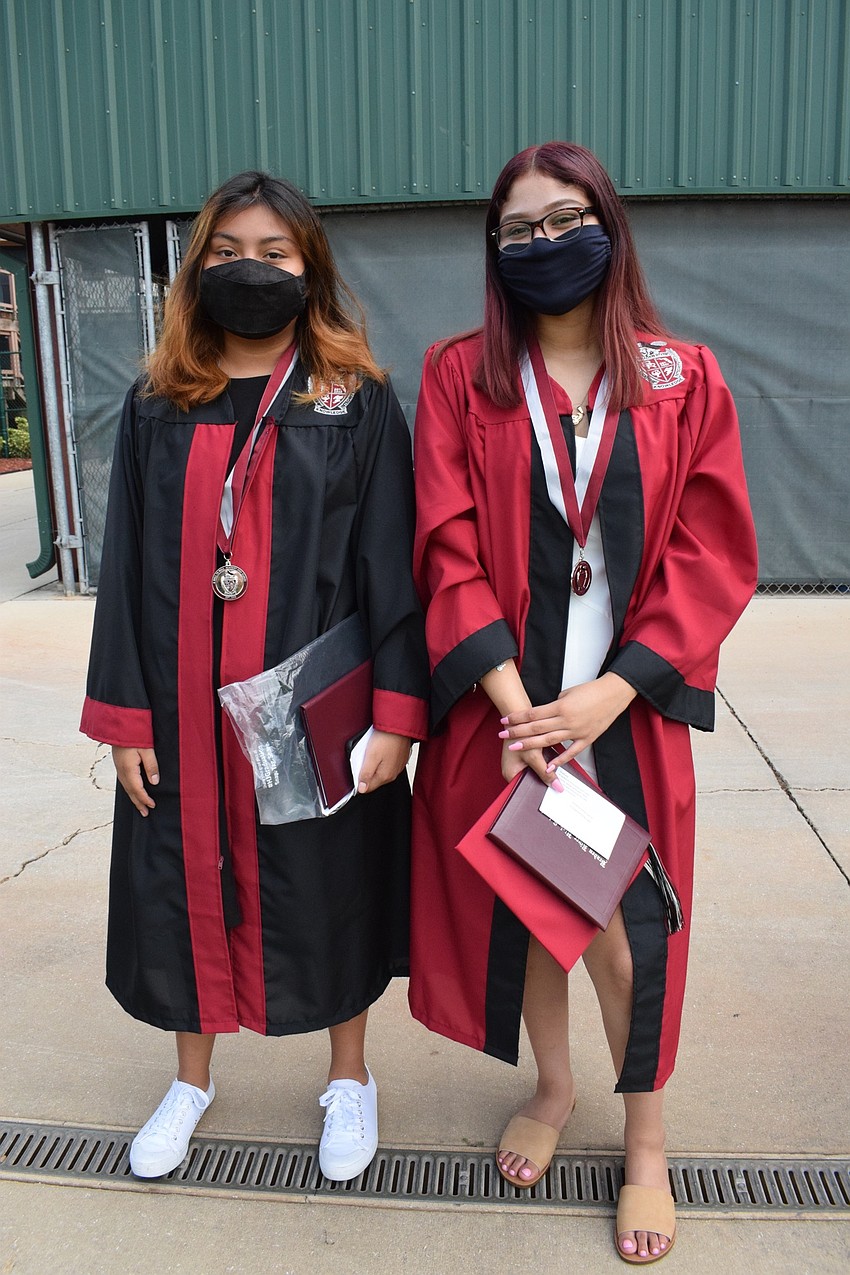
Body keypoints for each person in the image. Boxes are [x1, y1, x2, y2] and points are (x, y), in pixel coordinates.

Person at [409, 142, 757, 1263]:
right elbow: (446, 545)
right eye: (519, 230)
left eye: (566, 220)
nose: (545, 245)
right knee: (528, 916)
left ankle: (644, 1142)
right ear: (493, 253)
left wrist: (607, 697)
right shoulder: (460, 376)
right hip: (513, 718)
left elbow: (712, 552)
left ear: (609, 225)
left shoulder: (681, 377)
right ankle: (554, 1087)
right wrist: (521, 713)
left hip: (626, 718)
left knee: (630, 938)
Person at [80, 171, 429, 1184]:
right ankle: (191, 1080)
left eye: (276, 252)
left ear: (310, 269)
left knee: (331, 889)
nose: (252, 268)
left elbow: (391, 567)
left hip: (310, 721)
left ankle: (350, 1079)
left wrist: (395, 719)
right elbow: (123, 567)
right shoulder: (158, 403)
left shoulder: (352, 401)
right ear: (199, 266)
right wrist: (125, 720)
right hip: (183, 711)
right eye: (230, 248)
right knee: (180, 892)